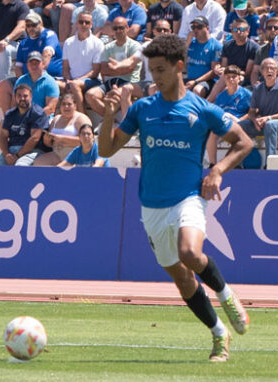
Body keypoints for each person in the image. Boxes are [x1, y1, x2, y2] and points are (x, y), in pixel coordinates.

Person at [98, 34, 252, 362]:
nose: (155, 77)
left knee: (190, 252)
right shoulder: (142, 109)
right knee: (181, 278)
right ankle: (218, 334)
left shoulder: (201, 108)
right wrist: (109, 115)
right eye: (151, 70)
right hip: (151, 205)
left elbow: (244, 142)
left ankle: (227, 296)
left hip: (188, 197)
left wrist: (217, 170)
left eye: (161, 70)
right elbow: (106, 149)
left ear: (179, 67)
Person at [239, 58, 278, 164]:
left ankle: (270, 162)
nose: (269, 71)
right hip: (262, 123)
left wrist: (268, 118)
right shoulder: (258, 89)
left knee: (270, 125)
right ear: (262, 71)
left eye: (272, 68)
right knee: (240, 126)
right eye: (267, 68)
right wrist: (255, 121)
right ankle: (238, 162)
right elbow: (251, 111)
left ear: (277, 71)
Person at [85, 16, 141, 120]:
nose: (118, 31)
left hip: (129, 82)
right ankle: (111, 121)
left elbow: (130, 68)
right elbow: (104, 70)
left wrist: (114, 68)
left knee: (117, 95)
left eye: (121, 28)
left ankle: (125, 126)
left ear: (127, 28)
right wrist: (120, 69)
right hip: (111, 82)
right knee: (90, 95)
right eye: (115, 28)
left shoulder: (135, 46)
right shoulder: (107, 47)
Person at [0, 84, 49, 166]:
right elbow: (3, 136)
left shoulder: (38, 114)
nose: (22, 98)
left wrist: (17, 156)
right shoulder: (10, 114)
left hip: (33, 151)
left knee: (20, 165)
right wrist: (7, 154)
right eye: (19, 96)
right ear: (15, 97)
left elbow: (35, 138)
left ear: (31, 97)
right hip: (11, 150)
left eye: (25, 96)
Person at [206, 65, 251, 166]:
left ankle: (234, 164)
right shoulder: (220, 96)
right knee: (213, 132)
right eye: (228, 77)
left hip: (240, 124)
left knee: (227, 115)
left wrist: (239, 120)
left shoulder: (246, 94)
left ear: (239, 78)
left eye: (233, 77)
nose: (231, 79)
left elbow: (252, 113)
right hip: (225, 124)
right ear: (224, 79)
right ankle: (212, 163)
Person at [59, 11, 104, 112]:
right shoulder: (68, 42)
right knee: (55, 85)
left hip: (92, 81)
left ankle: (83, 117)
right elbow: (65, 68)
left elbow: (95, 72)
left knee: (74, 86)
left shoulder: (98, 43)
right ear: (76, 23)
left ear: (91, 25)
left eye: (87, 22)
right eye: (81, 22)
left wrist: (76, 81)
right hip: (72, 80)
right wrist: (68, 80)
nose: (84, 24)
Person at [206, 17, 258, 102]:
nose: (238, 32)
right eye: (234, 29)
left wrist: (231, 72)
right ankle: (208, 103)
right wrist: (219, 69)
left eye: (241, 29)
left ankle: (208, 103)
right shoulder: (227, 45)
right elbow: (224, 66)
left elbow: (248, 73)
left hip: (243, 77)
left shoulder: (253, 47)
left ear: (247, 31)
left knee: (228, 80)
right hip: (228, 75)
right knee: (225, 76)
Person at [34, 92, 91, 165]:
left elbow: (88, 140)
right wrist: (47, 140)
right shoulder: (56, 119)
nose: (66, 107)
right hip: (57, 153)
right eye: (63, 104)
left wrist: (62, 139)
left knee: (62, 167)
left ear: (75, 106)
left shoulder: (81, 119)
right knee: (38, 162)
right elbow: (49, 144)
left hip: (76, 155)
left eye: (69, 104)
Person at [184, 16, 222, 98]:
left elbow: (214, 71)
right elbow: (179, 60)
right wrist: (187, 42)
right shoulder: (190, 43)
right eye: (193, 27)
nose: (195, 30)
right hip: (189, 78)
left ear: (207, 28)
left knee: (197, 90)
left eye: (199, 27)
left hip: (206, 81)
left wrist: (196, 81)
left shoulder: (216, 46)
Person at [252, 17, 278, 87]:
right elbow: (255, 72)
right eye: (269, 28)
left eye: (276, 28)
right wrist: (255, 83)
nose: (272, 30)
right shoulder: (261, 50)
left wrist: (270, 84)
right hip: (263, 83)